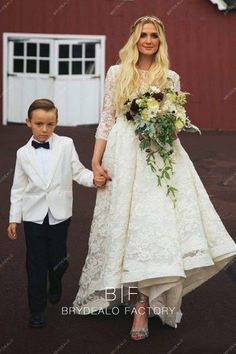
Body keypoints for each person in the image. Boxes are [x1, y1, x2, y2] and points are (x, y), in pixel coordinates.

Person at [73, 16, 236, 340]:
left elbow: (176, 126)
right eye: (144, 35)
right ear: (134, 39)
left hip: (160, 158)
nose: (148, 40)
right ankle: (133, 296)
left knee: (155, 227)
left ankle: (143, 307)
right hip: (122, 156)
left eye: (154, 36)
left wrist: (169, 121)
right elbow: (107, 119)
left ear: (160, 42)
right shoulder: (117, 73)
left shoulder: (170, 77)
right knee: (128, 227)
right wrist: (95, 160)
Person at [7, 99, 105, 328]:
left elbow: (78, 171)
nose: (44, 129)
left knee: (59, 260)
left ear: (56, 123)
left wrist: (94, 179)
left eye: (50, 124)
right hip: (33, 215)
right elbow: (18, 188)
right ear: (28, 123)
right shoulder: (22, 153)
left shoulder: (66, 144)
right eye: (39, 124)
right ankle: (37, 309)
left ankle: (56, 279)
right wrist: (14, 217)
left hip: (60, 214)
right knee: (35, 262)